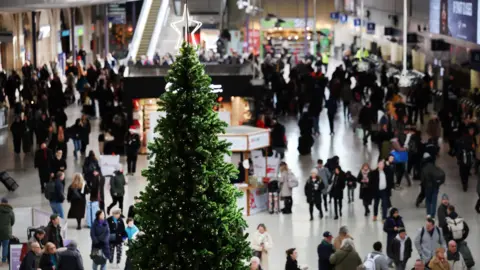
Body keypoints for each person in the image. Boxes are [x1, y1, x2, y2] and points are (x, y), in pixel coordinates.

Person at [421, 153, 445, 218]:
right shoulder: (435, 167)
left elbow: (422, 179)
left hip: (428, 187)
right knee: (434, 201)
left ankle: (428, 214)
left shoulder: (424, 168)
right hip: (435, 186)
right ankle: (433, 215)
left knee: (428, 200)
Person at [0, 198, 14, 265]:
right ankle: (3, 261)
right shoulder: (10, 211)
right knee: (5, 246)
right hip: (6, 232)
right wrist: (8, 226)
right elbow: (13, 221)